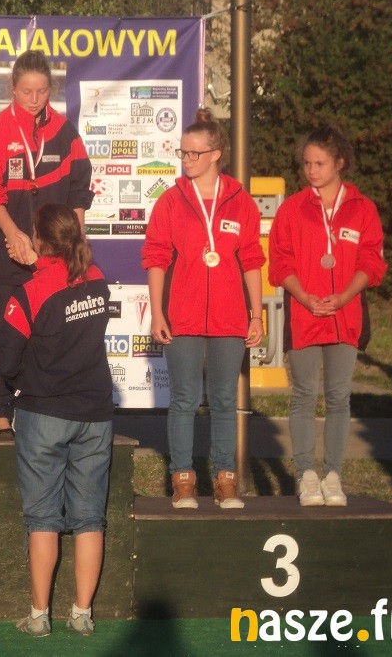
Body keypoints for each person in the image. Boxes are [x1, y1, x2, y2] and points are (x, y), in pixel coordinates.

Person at [0, 203, 113, 638]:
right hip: (95, 413)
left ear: (40, 240)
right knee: (89, 519)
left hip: (44, 413)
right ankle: (82, 614)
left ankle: (39, 615)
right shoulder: (97, 278)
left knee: (43, 518)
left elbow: (5, 364)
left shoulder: (30, 293)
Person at [141, 108, 265, 509]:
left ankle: (226, 479)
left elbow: (252, 260)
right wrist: (158, 312)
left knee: (224, 400)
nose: (187, 159)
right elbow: (156, 258)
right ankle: (183, 479)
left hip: (230, 317)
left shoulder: (241, 202)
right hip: (183, 314)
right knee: (183, 400)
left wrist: (256, 314)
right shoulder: (171, 200)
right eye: (183, 152)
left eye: (194, 153)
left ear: (216, 154)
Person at [0, 50, 93, 436]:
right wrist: (13, 233)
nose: (34, 99)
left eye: (41, 91)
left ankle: (40, 406)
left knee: (47, 333)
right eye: (26, 91)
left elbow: (78, 189)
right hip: (2, 251)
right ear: (12, 88)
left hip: (50, 255)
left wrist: (74, 242)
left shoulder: (65, 131)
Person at [268, 126, 387, 507]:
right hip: (304, 315)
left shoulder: (362, 208)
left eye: (319, 163)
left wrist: (346, 295)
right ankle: (306, 475)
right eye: (307, 163)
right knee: (304, 395)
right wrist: (304, 296)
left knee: (338, 397)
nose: (312, 171)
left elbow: (372, 261)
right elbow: (279, 262)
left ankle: (333, 475)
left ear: (340, 163)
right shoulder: (292, 208)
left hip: (344, 315)